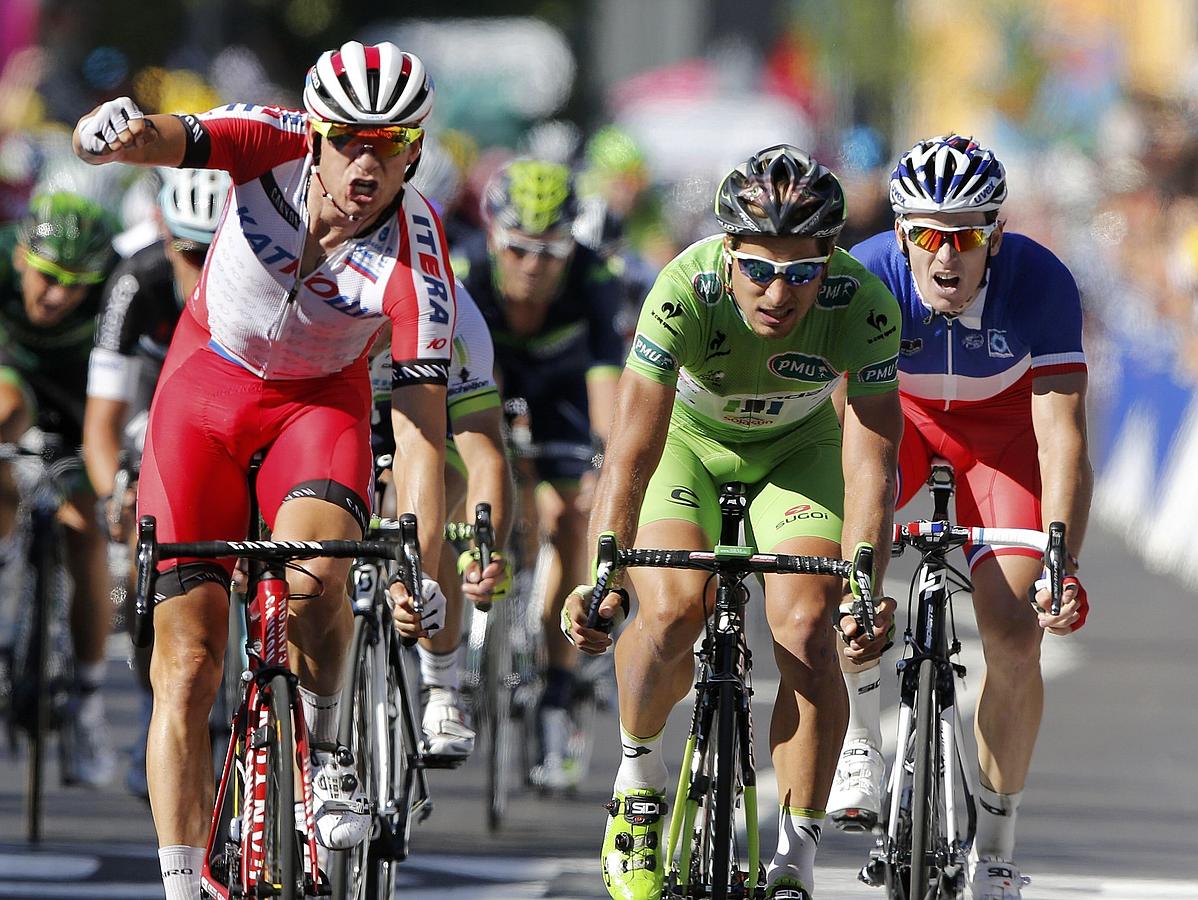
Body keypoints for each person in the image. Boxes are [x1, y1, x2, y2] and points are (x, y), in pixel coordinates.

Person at [72, 39, 455, 900]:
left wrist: (421, 567)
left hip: (318, 409)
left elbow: (425, 436)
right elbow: (163, 138)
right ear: (315, 134)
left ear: (415, 151)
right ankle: (179, 884)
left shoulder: (417, 255)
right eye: (351, 137)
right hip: (203, 391)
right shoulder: (266, 142)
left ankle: (327, 756)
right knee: (190, 661)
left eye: (392, 143)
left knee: (318, 585)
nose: (369, 159)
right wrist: (108, 134)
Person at [562, 144, 902, 900]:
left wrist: (862, 589)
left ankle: (796, 859)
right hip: (690, 447)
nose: (779, 292)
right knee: (676, 606)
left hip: (796, 453)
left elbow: (869, 464)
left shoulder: (866, 306)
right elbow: (631, 451)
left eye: (802, 272)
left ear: (829, 262)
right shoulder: (683, 289)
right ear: (727, 255)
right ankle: (638, 782)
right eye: (759, 268)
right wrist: (603, 577)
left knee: (811, 628)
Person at [828, 134, 1091, 900]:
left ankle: (999, 849)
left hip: (1001, 442)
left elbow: (1061, 438)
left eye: (969, 233)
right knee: (854, 565)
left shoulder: (1041, 281)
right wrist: (860, 553)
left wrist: (1058, 562)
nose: (948, 255)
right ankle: (859, 740)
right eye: (929, 234)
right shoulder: (868, 275)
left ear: (996, 236)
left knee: (1014, 634)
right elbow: (852, 435)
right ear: (902, 233)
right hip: (898, 425)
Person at [455, 157, 625, 789]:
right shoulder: (467, 269)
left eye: (550, 251)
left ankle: (558, 687)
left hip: (564, 394)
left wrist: (602, 469)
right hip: (488, 378)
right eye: (519, 249)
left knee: (572, 517)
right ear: (495, 237)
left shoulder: (595, 277)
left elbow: (607, 392)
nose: (533, 265)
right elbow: (465, 385)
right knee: (483, 486)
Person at [82, 165, 232, 799]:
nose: (198, 271)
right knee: (149, 534)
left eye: (214, 251)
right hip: (153, 408)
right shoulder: (137, 280)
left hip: (230, 408)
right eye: (189, 252)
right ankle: (157, 699)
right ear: (165, 232)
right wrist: (114, 492)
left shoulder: (264, 274)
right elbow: (103, 420)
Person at [0, 188, 119, 787]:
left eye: (75, 283)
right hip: (13, 387)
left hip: (83, 413)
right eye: (47, 276)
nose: (57, 295)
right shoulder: (1, 261)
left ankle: (90, 708)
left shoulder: (116, 287)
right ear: (22, 256)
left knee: (86, 531)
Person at [368, 274, 513, 762]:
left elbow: (485, 455)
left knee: (435, 501)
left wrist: (483, 551)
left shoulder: (458, 318)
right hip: (352, 411)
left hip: (438, 420)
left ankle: (442, 687)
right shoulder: (330, 298)